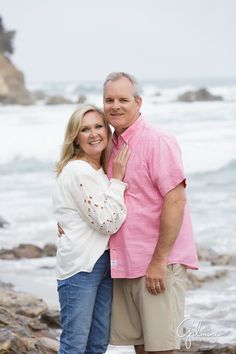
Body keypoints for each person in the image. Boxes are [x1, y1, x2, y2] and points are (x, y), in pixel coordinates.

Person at [103, 72, 198, 354]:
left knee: (162, 350)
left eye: (123, 99)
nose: (115, 106)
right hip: (126, 267)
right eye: (109, 100)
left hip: (157, 265)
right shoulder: (111, 146)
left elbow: (176, 201)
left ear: (139, 102)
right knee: (142, 349)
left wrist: (159, 261)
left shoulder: (157, 141)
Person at [53, 104, 130, 354]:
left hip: (102, 263)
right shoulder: (78, 170)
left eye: (98, 126)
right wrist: (118, 181)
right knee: (75, 346)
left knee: (97, 344)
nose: (94, 133)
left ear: (107, 130)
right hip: (81, 268)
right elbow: (107, 223)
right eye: (85, 129)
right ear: (75, 137)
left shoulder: (97, 169)